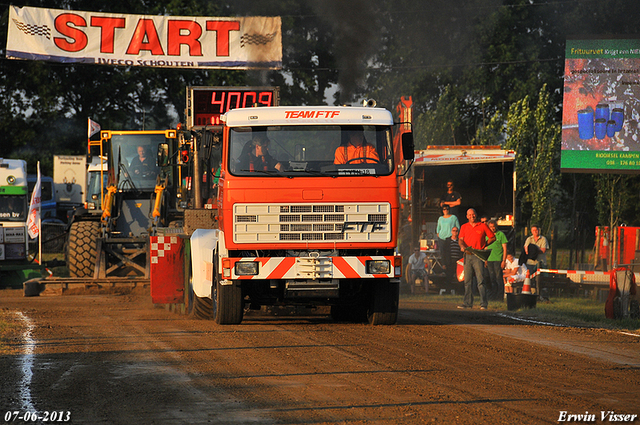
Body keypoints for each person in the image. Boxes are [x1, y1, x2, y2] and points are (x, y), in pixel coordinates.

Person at [458, 208, 495, 310]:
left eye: (473, 214)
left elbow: (492, 237)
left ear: (476, 215)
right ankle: (467, 303)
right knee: (467, 280)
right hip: (467, 254)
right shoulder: (464, 227)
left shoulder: (482, 226)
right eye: (469, 215)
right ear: (467, 216)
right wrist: (462, 246)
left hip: (478, 255)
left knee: (480, 280)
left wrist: (484, 245)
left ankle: (483, 303)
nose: (472, 216)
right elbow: (460, 239)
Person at [486, 219, 508, 300]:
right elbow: (485, 247)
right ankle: (492, 296)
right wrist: (485, 259)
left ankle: (500, 297)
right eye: (490, 227)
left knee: (498, 278)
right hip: (489, 259)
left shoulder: (501, 234)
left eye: (493, 227)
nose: (492, 228)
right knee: (491, 278)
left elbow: (505, 248)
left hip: (498, 259)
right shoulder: (487, 235)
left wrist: (504, 260)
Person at [437, 205, 459, 275]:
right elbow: (438, 228)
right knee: (443, 252)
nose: (445, 210)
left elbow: (458, 227)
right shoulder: (440, 218)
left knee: (451, 253)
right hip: (442, 238)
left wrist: (455, 234)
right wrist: (439, 234)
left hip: (450, 238)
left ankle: (452, 269)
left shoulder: (453, 217)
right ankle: (444, 267)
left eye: (447, 209)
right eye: (444, 209)